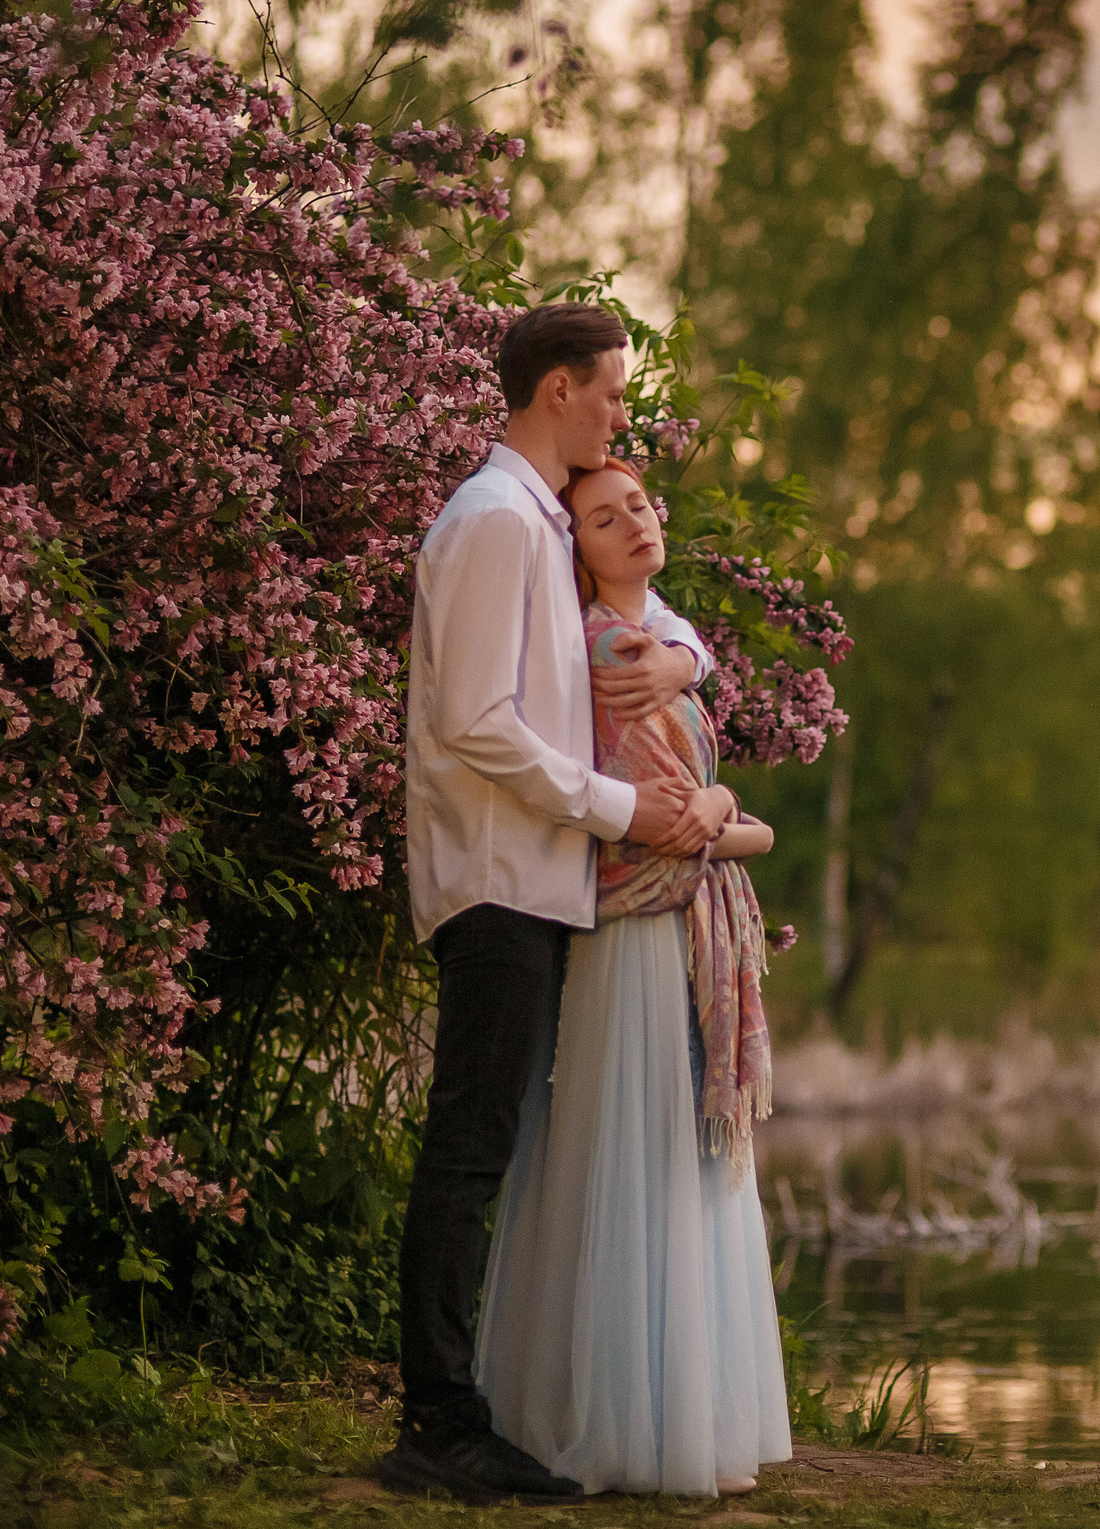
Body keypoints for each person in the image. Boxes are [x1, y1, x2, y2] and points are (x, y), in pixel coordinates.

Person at [384, 304, 737, 1505]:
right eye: (611, 393)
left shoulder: (540, 521)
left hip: (540, 875)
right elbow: (475, 723)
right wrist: (619, 810)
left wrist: (684, 661)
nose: (621, 414)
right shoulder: (491, 523)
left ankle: (476, 1405)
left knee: (492, 1142)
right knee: (472, 1146)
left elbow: (651, 621)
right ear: (556, 392)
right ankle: (436, 1422)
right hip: (496, 872)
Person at [475, 455, 794, 1495]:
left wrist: (720, 804)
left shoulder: (661, 643)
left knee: (659, 1159)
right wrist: (722, 815)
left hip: (666, 923)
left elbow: (717, 814)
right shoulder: (608, 651)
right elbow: (687, 826)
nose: (635, 526)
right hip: (644, 930)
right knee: (652, 1157)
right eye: (607, 520)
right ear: (580, 548)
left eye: (641, 508)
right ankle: (638, 1421)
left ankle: (648, 1409)